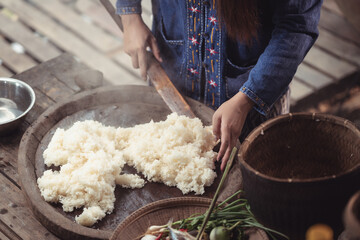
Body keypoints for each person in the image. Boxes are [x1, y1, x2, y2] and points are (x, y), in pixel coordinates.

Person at [116, 0, 322, 170]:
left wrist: (247, 98)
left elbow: (296, 26)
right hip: (173, 80)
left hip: (252, 103)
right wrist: (129, 15)